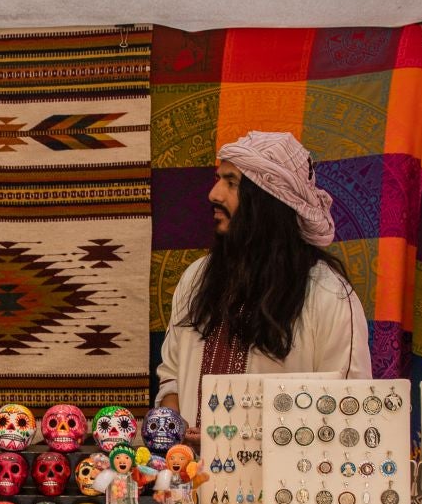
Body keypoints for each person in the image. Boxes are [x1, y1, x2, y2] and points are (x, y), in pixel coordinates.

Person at [155, 131, 372, 427]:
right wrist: (178, 440)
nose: (214, 194)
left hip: (290, 473)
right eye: (219, 179)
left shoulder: (329, 296)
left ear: (269, 200)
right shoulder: (196, 278)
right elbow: (172, 380)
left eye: (231, 183)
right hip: (192, 472)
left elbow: (348, 409)